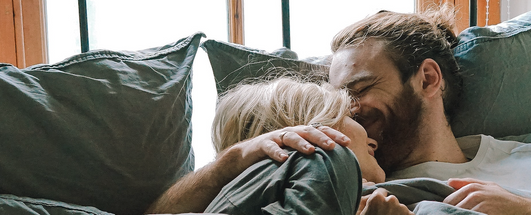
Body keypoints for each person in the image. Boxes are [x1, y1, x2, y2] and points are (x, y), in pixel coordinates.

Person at [325, 5, 531, 215]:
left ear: (428, 79)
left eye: (360, 90)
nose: (347, 111)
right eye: (337, 101)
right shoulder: (349, 184)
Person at [148, 77, 412, 214]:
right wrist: (228, 164)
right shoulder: (324, 161)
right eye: (352, 118)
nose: (373, 139)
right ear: (309, 127)